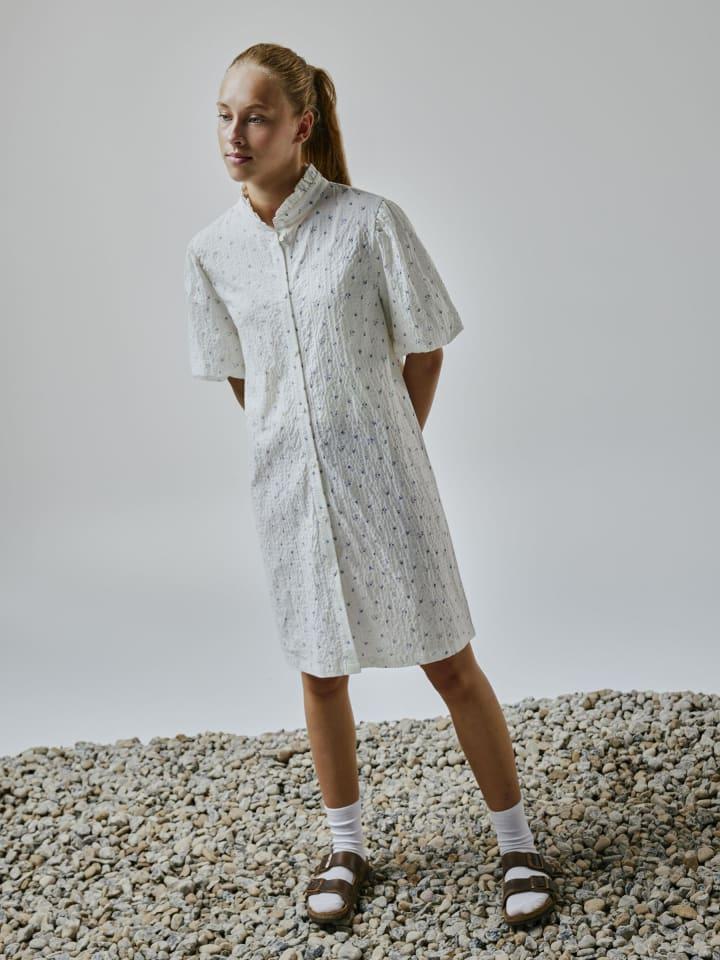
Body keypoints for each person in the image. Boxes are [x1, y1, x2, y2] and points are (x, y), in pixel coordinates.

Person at [183, 42, 558, 928]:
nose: (236, 134)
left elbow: (425, 345)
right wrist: (292, 440)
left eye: (257, 117)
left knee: (450, 662)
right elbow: (243, 375)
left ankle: (517, 844)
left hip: (389, 482)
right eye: (226, 116)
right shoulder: (211, 252)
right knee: (320, 673)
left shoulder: (369, 224)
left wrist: (391, 442)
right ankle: (345, 846)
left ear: (301, 125)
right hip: (288, 493)